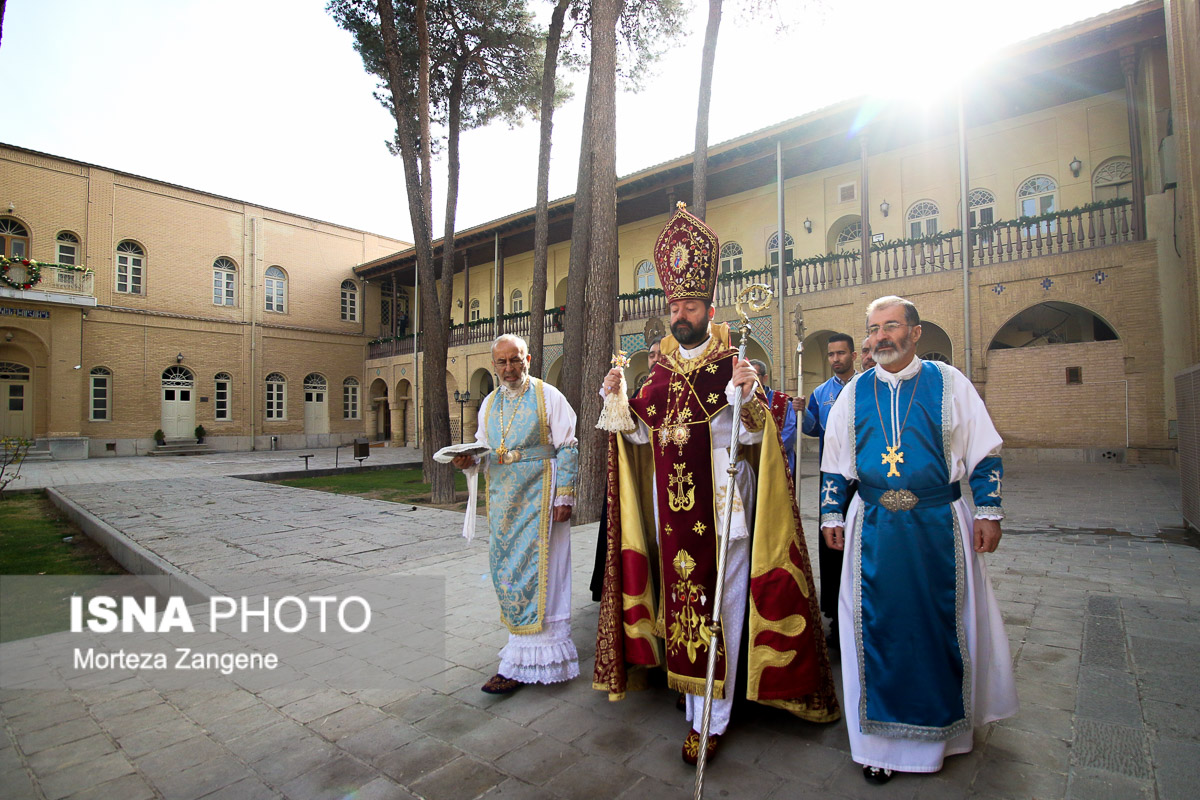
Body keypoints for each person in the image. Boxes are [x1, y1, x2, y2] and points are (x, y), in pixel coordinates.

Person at [594, 203, 839, 766]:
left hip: (724, 513)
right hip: (671, 514)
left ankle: (712, 717)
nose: (680, 313)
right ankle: (696, 697)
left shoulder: (733, 364)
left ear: (709, 306)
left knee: (720, 609)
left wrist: (750, 400)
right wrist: (615, 400)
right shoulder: (654, 371)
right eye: (673, 304)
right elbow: (635, 441)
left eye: (690, 304)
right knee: (683, 602)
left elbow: (762, 444)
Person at [819, 295, 1017, 785]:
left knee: (939, 629)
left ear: (915, 331)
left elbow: (985, 451)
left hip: (939, 525)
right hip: (875, 530)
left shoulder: (951, 385)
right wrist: (830, 515)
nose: (880, 336)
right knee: (877, 632)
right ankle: (880, 747)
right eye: (873, 328)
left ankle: (945, 737)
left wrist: (988, 512)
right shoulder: (854, 392)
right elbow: (834, 461)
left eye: (891, 326)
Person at [452, 334, 580, 694]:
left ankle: (545, 659)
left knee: (546, 573)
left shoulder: (548, 396)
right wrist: (468, 461)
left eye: (515, 360)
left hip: (542, 502)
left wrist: (564, 496)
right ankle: (518, 656)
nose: (509, 369)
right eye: (501, 362)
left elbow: (568, 446)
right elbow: (482, 449)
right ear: (494, 365)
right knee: (508, 574)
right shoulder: (489, 404)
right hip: (505, 506)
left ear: (528, 358)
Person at [799, 333, 858, 647]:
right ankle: (834, 614)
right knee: (832, 543)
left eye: (841, 353)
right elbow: (811, 429)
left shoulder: (866, 386)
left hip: (863, 479)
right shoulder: (820, 393)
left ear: (853, 355)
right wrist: (800, 411)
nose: (836, 359)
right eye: (832, 354)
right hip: (831, 479)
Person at [749, 359, 797, 476]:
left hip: (777, 460)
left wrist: (767, 453)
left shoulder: (782, 401)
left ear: (765, 378)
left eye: (755, 375)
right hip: (750, 462)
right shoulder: (741, 401)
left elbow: (789, 432)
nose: (751, 380)